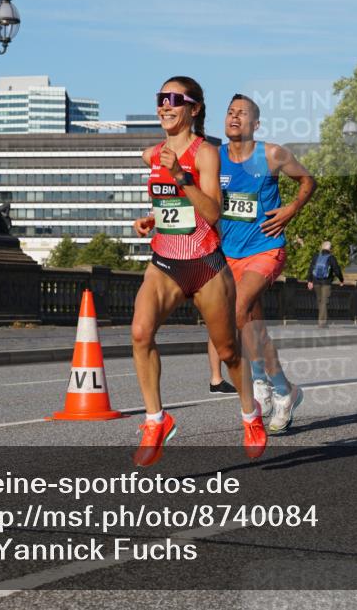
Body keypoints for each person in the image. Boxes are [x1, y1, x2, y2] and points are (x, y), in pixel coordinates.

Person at [130, 76, 266, 467]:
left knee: (228, 352)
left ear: (194, 108)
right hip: (165, 262)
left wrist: (181, 176)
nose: (165, 105)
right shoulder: (150, 155)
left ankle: (250, 414)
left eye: (174, 99)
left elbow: (212, 212)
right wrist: (151, 219)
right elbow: (170, 206)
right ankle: (156, 421)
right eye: (161, 98)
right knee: (140, 333)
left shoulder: (205, 154)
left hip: (205, 265)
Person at [205, 94, 317, 434]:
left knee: (238, 310)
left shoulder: (272, 154)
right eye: (230, 112)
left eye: (242, 114)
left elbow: (308, 180)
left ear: (255, 124)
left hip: (266, 248)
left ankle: (265, 385)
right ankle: (280, 388)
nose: (234, 117)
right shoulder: (215, 158)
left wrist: (291, 209)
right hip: (229, 253)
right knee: (254, 327)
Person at [306, 241, 344, 327]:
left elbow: (311, 268)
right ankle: (322, 323)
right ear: (330, 249)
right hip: (326, 283)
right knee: (324, 302)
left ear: (322, 247)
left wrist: (309, 281)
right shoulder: (331, 258)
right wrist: (341, 280)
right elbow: (337, 270)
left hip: (316, 282)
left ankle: (321, 320)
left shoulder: (316, 256)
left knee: (320, 301)